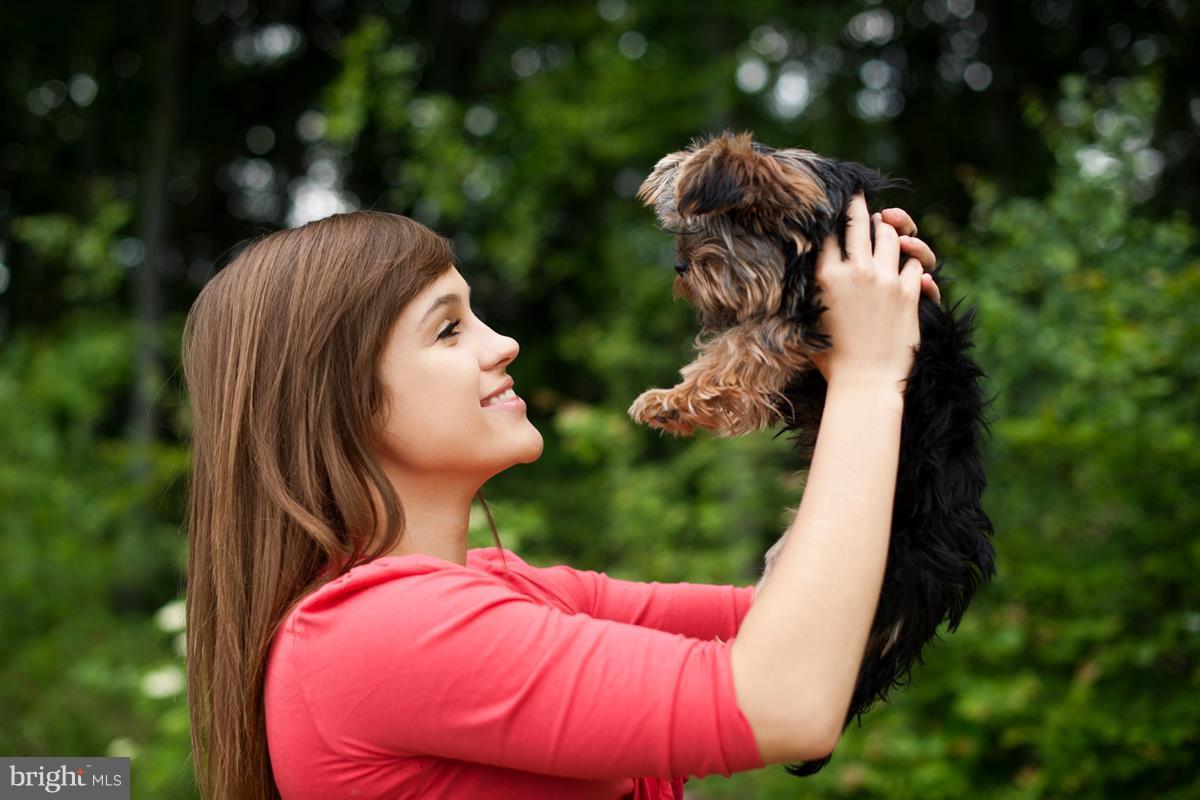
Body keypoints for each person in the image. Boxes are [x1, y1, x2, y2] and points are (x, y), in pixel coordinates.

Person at [180, 192, 939, 799]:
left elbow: (836, 620)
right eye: (448, 330)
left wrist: (846, 346)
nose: (501, 343)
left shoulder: (505, 589)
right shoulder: (372, 636)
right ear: (336, 398)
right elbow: (785, 698)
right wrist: (870, 377)